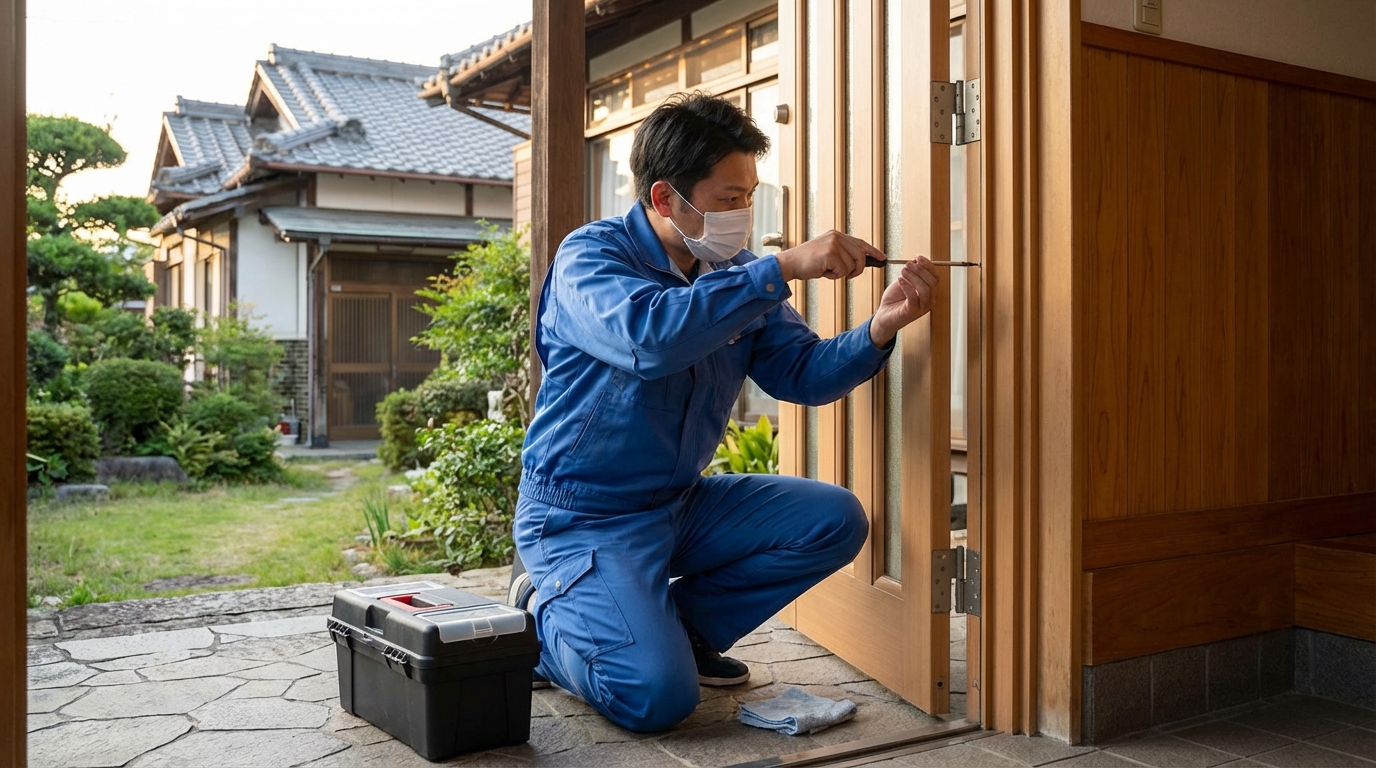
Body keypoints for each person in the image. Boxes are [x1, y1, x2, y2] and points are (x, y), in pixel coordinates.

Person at [509, 91, 939, 733]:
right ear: (664, 198)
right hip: (582, 516)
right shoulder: (589, 259)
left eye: (750, 196)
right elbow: (650, 340)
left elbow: (800, 373)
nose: (743, 213)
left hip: (679, 503)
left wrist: (879, 328)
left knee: (833, 520)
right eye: (728, 199)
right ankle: (544, 619)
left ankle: (677, 630)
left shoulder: (732, 270)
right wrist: (786, 265)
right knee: (657, 700)